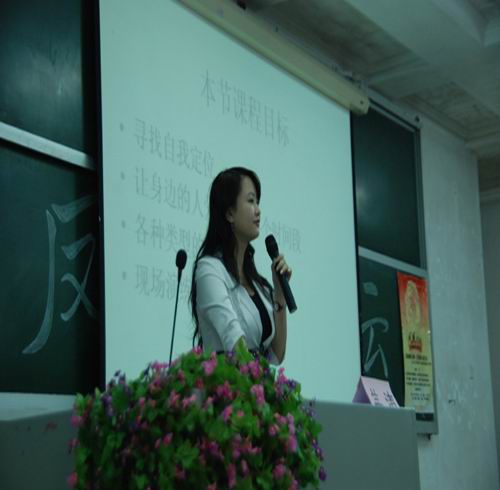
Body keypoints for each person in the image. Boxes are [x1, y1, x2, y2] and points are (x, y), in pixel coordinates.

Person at [190, 167, 291, 364]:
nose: (258, 210)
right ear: (229, 213)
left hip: (255, 382)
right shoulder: (209, 270)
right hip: (227, 382)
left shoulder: (257, 284)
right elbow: (236, 345)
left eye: (258, 202)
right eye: (251, 201)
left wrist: (279, 294)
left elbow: (275, 355)